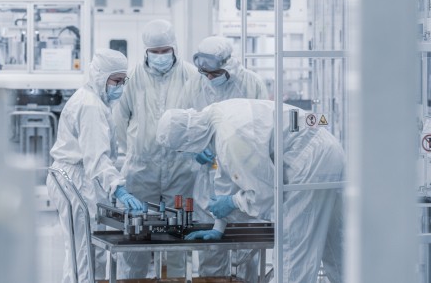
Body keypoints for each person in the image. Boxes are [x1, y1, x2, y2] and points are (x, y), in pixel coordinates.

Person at [156, 99, 344, 283]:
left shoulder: (231, 136)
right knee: (337, 249)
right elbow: (228, 177)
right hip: (327, 151)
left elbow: (265, 193)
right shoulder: (216, 118)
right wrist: (218, 227)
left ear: (188, 140)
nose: (186, 155)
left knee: (292, 254)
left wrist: (232, 202)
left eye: (181, 151)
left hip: (308, 162)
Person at [114, 19, 200, 278]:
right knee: (135, 239)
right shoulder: (132, 78)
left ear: (174, 49)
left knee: (178, 235)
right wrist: (131, 153)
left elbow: (201, 118)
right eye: (155, 51)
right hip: (141, 171)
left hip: (182, 172)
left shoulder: (192, 76)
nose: (160, 56)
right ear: (146, 51)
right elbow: (120, 120)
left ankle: (175, 279)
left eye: (165, 51)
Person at [47, 48, 143, 283]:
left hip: (74, 177)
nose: (120, 86)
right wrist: (118, 188)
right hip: (76, 179)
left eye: (123, 80)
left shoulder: (92, 99)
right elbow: (96, 159)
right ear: (101, 77)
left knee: (85, 249)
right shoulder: (91, 106)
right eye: (116, 81)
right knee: (85, 251)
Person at [178, 35, 268, 280]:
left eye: (214, 74)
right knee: (211, 250)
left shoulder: (252, 83)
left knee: (248, 251)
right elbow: (183, 128)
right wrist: (194, 150)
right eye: (204, 74)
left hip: (245, 175)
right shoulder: (193, 87)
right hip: (208, 176)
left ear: (228, 65)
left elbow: (264, 131)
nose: (209, 79)